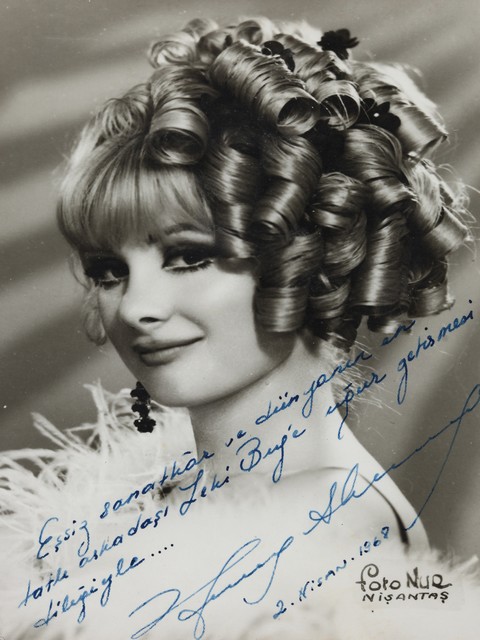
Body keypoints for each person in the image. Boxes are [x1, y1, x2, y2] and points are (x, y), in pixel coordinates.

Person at [1, 17, 478, 640]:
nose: (136, 308)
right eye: (109, 270)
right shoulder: (161, 505)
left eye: (188, 256)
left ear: (306, 256)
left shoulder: (318, 519)